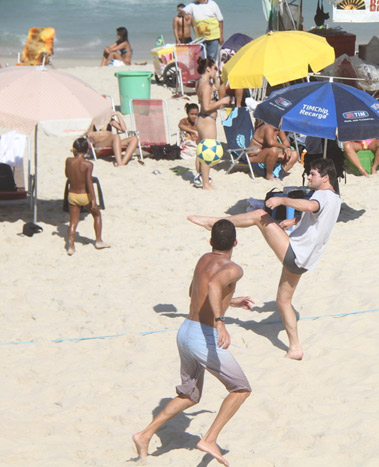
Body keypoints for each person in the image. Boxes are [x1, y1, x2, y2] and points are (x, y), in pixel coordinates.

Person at [188, 159, 341, 360]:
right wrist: (294, 220)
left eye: (313, 174)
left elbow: (312, 205)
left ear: (325, 177)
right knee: (283, 301)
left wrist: (282, 200)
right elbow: (320, 216)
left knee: (259, 216)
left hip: (295, 253)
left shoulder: (321, 195)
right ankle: (295, 348)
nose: (309, 178)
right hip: (304, 261)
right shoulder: (336, 198)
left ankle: (215, 223)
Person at [132, 219, 253, 465]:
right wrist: (221, 321)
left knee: (190, 395)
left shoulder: (203, 260)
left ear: (211, 242)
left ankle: (144, 434)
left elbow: (196, 292)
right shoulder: (234, 268)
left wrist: (233, 300)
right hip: (202, 336)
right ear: (236, 242)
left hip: (185, 330)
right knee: (240, 389)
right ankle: (210, 438)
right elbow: (212, 285)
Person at [64, 137, 109, 255]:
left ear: (74, 150)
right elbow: (89, 183)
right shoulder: (88, 164)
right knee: (97, 215)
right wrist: (94, 200)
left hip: (72, 194)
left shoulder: (69, 161)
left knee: (73, 221)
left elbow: (67, 175)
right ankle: (98, 241)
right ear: (87, 151)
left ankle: (71, 247)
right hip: (84, 195)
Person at [195, 57, 230, 190]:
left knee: (201, 149)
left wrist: (217, 81)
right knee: (208, 151)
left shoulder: (200, 82)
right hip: (206, 119)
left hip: (202, 119)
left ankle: (200, 177)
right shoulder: (206, 85)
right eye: (215, 68)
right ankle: (206, 183)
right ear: (208, 68)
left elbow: (210, 93)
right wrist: (222, 101)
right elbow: (206, 107)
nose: (216, 71)